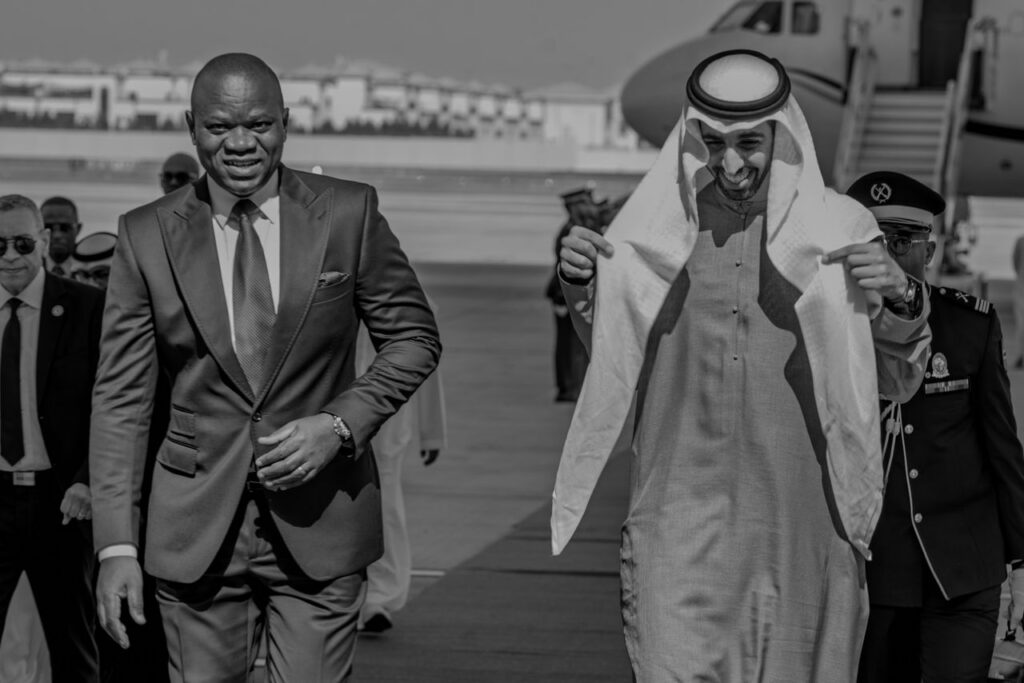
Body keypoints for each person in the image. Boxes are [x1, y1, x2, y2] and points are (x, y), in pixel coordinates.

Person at [550, 50, 931, 681]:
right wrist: (583, 284)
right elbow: (615, 363)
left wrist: (902, 298)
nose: (730, 163)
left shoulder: (842, 229)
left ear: (782, 136)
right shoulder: (651, 232)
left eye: (749, 142)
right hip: (677, 528)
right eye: (714, 142)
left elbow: (896, 380)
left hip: (804, 532)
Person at [89, 53, 441, 682]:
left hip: (323, 520)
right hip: (194, 530)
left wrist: (338, 425)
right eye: (219, 126)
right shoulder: (145, 235)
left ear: (286, 122)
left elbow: (413, 338)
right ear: (191, 127)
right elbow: (121, 401)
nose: (241, 143)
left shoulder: (348, 212)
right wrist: (116, 544)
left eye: (258, 124)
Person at [846, 171, 1024, 682]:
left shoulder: (968, 324)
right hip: (874, 578)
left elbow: (1002, 449)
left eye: (901, 241)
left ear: (929, 250)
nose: (886, 255)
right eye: (874, 241)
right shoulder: (833, 328)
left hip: (963, 571)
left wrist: (1021, 563)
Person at [0, 194, 103, 681]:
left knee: (73, 647)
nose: (10, 255)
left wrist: (89, 480)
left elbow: (115, 408)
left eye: (22, 243)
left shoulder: (87, 307)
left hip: (61, 503)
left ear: (42, 240)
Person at [355, 300, 447, 633]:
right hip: (324, 416)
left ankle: (378, 596)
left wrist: (432, 432)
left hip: (386, 420)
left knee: (384, 503)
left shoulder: (408, 294)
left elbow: (425, 360)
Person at [40, 196, 82, 277]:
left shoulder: (93, 270)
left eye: (65, 227)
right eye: (48, 227)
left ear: (78, 229)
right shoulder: (28, 268)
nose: (57, 235)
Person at [1012, 233, 1024, 368]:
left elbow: (1015, 262)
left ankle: (1020, 354)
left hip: (1021, 285)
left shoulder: (1020, 241)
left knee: (1021, 322)